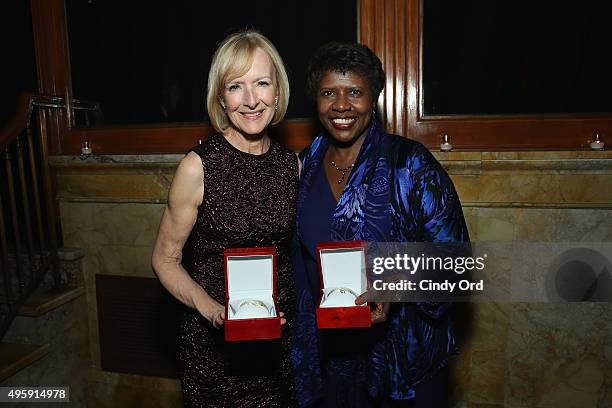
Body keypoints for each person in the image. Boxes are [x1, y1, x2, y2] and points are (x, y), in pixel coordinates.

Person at [292, 42, 469, 407]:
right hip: (328, 362)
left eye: (354, 92)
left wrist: (395, 283)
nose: (341, 105)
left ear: (373, 98)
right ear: (316, 101)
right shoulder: (302, 166)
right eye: (329, 93)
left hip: (399, 362)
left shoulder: (411, 165)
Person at [152, 30, 298, 407]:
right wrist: (211, 310)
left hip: (277, 347)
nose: (251, 100)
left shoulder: (291, 165)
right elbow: (164, 260)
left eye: (262, 83)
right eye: (236, 86)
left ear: (277, 91)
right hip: (214, 351)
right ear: (221, 97)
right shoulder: (197, 167)